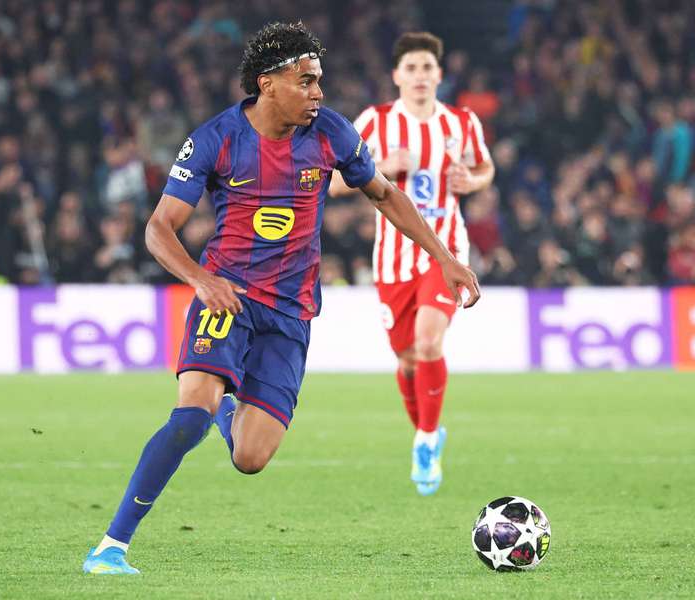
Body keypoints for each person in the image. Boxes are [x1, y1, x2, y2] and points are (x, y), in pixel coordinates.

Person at [83, 22, 480, 575]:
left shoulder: (332, 133)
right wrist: (201, 280)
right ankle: (111, 546)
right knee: (189, 417)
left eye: (319, 80)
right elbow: (158, 228)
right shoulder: (216, 138)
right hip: (227, 297)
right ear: (268, 84)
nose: (319, 92)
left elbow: (385, 194)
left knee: (250, 458)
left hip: (292, 312)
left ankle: (227, 407)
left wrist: (444, 257)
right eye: (306, 80)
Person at [329, 32, 494, 496]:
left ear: (439, 75)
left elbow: (485, 167)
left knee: (427, 341)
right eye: (412, 68)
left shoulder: (462, 122)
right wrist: (380, 164)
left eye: (427, 68)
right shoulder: (375, 121)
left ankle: (425, 440)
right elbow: (334, 184)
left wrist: (472, 181)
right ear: (397, 76)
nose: (420, 76)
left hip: (447, 251)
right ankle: (427, 430)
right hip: (393, 258)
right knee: (406, 361)